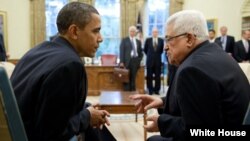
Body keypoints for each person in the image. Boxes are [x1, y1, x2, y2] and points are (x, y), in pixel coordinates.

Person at [130, 10, 250, 141]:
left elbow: (197, 132)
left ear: (189, 39)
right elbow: (205, 101)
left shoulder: (192, 70)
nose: (165, 47)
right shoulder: (216, 52)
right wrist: (163, 102)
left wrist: (162, 122)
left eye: (169, 39)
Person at [10, 2, 113, 141]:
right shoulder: (70, 65)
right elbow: (52, 134)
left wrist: (85, 108)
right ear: (74, 31)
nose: (101, 38)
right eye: (95, 31)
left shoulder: (37, 51)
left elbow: (44, 104)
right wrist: (87, 116)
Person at [119, 25, 143, 91]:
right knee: (126, 78)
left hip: (135, 62)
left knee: (133, 78)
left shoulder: (138, 41)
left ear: (135, 32)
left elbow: (141, 52)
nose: (132, 32)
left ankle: (133, 92)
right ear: (129, 32)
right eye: (131, 31)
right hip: (127, 62)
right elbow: (121, 51)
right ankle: (127, 93)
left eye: (133, 31)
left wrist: (139, 60)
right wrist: (121, 62)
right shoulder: (124, 40)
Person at [144, 27, 164, 95]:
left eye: (156, 32)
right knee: (149, 76)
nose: (155, 33)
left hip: (158, 61)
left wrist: (156, 56)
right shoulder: (148, 40)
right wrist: (151, 56)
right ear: (152, 33)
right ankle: (150, 90)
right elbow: (145, 50)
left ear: (158, 33)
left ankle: (157, 90)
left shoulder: (161, 40)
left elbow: (161, 51)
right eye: (153, 32)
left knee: (157, 77)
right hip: (149, 61)